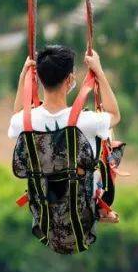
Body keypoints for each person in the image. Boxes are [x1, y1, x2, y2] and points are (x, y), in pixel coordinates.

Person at [8, 45, 121, 221]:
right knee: (109, 138)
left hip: (46, 211)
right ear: (69, 80)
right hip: (82, 209)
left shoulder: (24, 122)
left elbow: (16, 118)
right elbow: (114, 115)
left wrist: (24, 77)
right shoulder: (87, 121)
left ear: (39, 79)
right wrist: (99, 71)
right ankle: (101, 206)